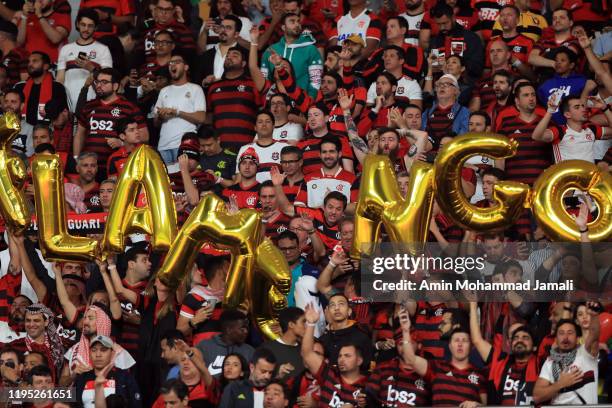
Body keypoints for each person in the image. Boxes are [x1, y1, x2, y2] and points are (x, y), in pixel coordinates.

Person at [400, 309, 488, 407]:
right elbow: (410, 359)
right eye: (456, 340)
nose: (460, 344)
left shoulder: (480, 375)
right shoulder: (436, 367)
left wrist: (478, 405)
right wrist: (405, 331)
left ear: (471, 346)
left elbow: (485, 405)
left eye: (464, 341)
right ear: (449, 345)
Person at [75, 68, 148, 180]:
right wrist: (77, 159)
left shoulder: (129, 107)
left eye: (104, 82)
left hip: (117, 166)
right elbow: (79, 134)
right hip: (90, 168)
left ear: (115, 86)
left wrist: (123, 143)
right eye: (97, 82)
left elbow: (145, 136)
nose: (99, 85)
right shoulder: (88, 106)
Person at [301, 303, 368, 406]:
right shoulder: (329, 374)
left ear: (359, 360)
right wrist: (310, 324)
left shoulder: (368, 385)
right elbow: (307, 354)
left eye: (347, 356)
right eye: (340, 356)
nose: (341, 359)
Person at [534, 303, 600, 405]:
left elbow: (594, 335)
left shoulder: (586, 353)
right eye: (561, 333)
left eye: (570, 333)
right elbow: (537, 396)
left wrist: (594, 317)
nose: (565, 337)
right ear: (556, 338)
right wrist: (560, 384)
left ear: (577, 338)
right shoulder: (550, 361)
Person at [56, 8, 113, 112]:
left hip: (92, 104)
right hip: (68, 105)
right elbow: (60, 80)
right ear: (77, 24)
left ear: (96, 27)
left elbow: (109, 79)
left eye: (90, 26)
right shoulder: (65, 49)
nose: (86, 29)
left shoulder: (103, 49)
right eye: (83, 24)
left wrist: (91, 68)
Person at [154, 52, 206, 164]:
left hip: (186, 145)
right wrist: (160, 116)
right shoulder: (164, 91)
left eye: (177, 62)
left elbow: (201, 118)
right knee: (164, 181)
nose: (172, 65)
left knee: (183, 179)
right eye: (170, 63)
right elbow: (156, 123)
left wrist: (177, 112)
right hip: (163, 146)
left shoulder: (195, 89)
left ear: (186, 67)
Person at [207, 46, 260, 153]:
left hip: (246, 147)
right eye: (227, 55)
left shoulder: (253, 85)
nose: (229, 57)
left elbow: (261, 113)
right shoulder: (213, 87)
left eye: (235, 55)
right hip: (219, 149)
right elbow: (209, 118)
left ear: (244, 64)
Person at [532, 94, 611, 163]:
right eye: (577, 107)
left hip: (589, 179)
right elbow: (536, 136)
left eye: (583, 106)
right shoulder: (560, 131)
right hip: (566, 179)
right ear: (567, 114)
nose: (583, 109)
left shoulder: (591, 129)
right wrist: (550, 111)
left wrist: (604, 108)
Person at [260, 12, 322, 99]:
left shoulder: (311, 49)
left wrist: (309, 102)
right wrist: (267, 101)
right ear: (283, 27)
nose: (297, 24)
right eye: (292, 22)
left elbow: (316, 80)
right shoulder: (270, 50)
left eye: (298, 22)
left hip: (301, 103)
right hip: (276, 103)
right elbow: (264, 79)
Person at [73, 335, 142, 408]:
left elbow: (137, 405)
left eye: (103, 350)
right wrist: (70, 376)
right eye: (94, 350)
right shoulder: (82, 377)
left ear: (112, 353)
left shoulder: (125, 377)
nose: (98, 355)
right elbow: (64, 400)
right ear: (89, 354)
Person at [196, 309, 254, 377]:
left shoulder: (249, 351)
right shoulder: (204, 347)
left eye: (247, 328)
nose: (246, 331)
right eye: (242, 329)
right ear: (228, 330)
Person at [421, 74, 469, 149]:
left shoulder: (464, 112)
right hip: (426, 154)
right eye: (439, 84)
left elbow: (462, 139)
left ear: (456, 91)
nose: (442, 86)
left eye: (447, 84)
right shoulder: (427, 112)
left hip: (450, 152)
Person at [236, 110, 286, 182]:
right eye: (260, 122)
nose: (264, 125)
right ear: (255, 127)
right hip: (251, 192)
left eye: (267, 121)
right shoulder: (244, 149)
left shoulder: (284, 147)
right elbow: (239, 179)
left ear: (273, 126)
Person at [262, 307, 306, 380]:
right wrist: (277, 376)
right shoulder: (267, 349)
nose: (306, 326)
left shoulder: (305, 350)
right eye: (303, 322)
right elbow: (258, 380)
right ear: (291, 325)